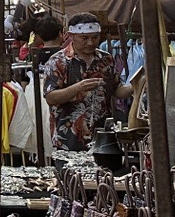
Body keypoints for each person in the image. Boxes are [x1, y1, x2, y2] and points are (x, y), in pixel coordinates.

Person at [44, 17, 126, 152]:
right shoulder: (58, 61)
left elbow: (116, 89)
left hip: (102, 140)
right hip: (69, 140)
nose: (90, 42)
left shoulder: (106, 59)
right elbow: (51, 97)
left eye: (95, 37)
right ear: (71, 36)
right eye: (84, 38)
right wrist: (78, 88)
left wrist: (136, 86)